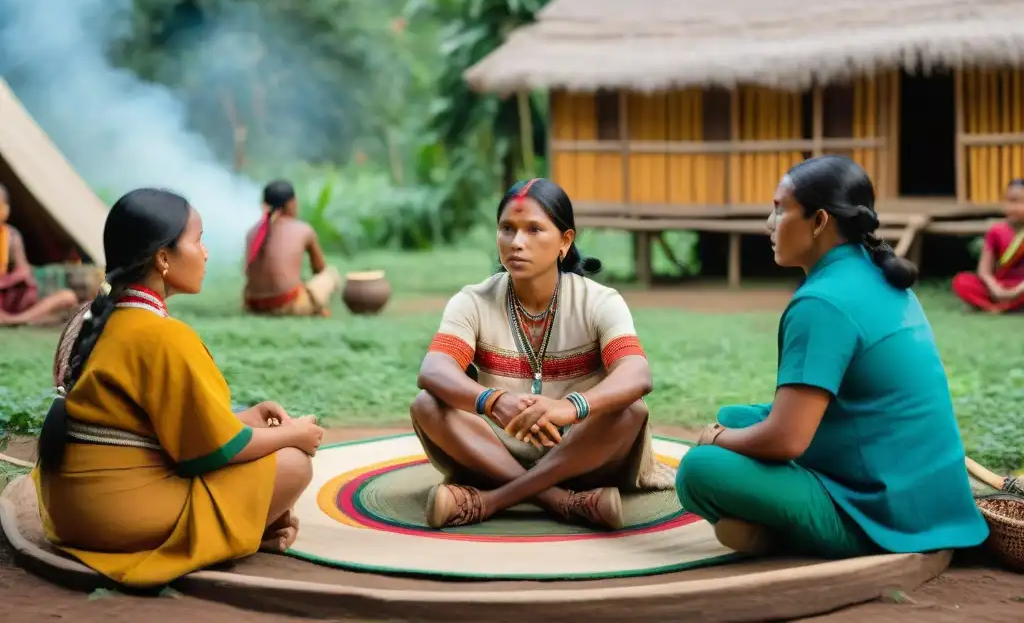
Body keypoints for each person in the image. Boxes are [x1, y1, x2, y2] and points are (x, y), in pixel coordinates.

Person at [674, 155, 989, 560]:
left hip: (885, 516)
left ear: (819, 221)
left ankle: (785, 534)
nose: (769, 224)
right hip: (911, 480)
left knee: (700, 470)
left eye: (779, 210)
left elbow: (787, 439)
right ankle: (765, 528)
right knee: (737, 415)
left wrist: (715, 439)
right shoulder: (881, 276)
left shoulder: (820, 303)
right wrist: (732, 432)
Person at [32, 187, 325, 588]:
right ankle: (241, 534)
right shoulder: (162, 336)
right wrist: (295, 434)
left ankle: (249, 530)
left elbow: (154, 431)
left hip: (72, 508)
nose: (205, 252)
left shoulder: (98, 318)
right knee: (293, 462)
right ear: (164, 258)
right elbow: (207, 454)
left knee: (268, 453)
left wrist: (244, 419)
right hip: (115, 517)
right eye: (197, 240)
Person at [410, 178, 674, 530]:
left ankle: (491, 500)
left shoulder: (599, 301)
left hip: (584, 450)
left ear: (565, 241)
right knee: (427, 404)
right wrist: (493, 401)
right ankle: (563, 502)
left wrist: (568, 408)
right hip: (498, 449)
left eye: (534, 229)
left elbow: (637, 374)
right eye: (507, 229)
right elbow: (434, 369)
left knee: (631, 411)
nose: (517, 243)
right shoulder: (473, 300)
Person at [243, 179, 341, 317]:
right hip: (288, 305)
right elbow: (319, 269)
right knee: (331, 274)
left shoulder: (253, 232)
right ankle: (318, 309)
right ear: (291, 204)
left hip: (253, 305)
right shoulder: (303, 229)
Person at [0, 183, 79, 326]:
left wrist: (5, 281)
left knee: (68, 297)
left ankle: (15, 320)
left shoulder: (11, 236)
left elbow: (23, 271)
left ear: (6, 210)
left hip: (12, 300)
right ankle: (27, 319)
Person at [951, 178, 1024, 313]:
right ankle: (997, 307)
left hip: (1021, 288)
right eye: (1010, 201)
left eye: (1020, 202)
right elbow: (984, 271)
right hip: (1000, 286)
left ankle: (996, 307)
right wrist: (996, 289)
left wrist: (1016, 291)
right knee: (962, 281)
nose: (1014, 207)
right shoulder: (996, 231)